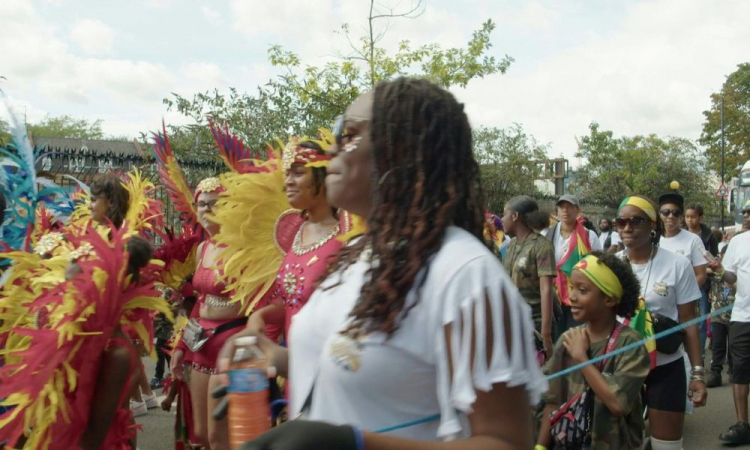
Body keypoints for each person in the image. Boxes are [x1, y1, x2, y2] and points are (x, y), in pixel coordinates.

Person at [225, 77, 547, 449]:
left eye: (348, 134)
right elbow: (366, 369)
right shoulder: (355, 256)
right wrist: (274, 360)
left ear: (403, 150)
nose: (331, 149)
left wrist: (355, 444)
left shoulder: (466, 274)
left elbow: (504, 442)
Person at [616, 195, 706, 450]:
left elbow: (689, 322)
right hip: (622, 367)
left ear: (653, 224)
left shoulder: (677, 264)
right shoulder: (609, 265)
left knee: (666, 446)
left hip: (666, 366)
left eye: (636, 221)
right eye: (621, 222)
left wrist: (698, 374)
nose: (627, 227)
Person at [537, 252, 650, 449]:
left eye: (582, 290)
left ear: (609, 299)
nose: (572, 296)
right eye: (572, 288)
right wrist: (540, 446)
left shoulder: (630, 344)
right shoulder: (568, 339)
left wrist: (582, 357)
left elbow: (617, 404)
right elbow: (552, 401)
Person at [170, 177, 248, 449]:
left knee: (221, 436)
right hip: (200, 345)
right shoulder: (203, 248)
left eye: (214, 204)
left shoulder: (243, 249)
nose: (206, 210)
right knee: (201, 433)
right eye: (201, 204)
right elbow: (200, 299)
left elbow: (256, 302)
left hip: (229, 346)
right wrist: (181, 345)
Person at [247, 138, 345, 346]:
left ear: (322, 178)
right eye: (287, 175)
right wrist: (260, 317)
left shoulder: (347, 234)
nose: (289, 182)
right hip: (291, 366)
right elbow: (292, 301)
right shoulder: (295, 232)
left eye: (298, 173)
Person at [89, 173, 160, 417]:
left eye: (94, 199)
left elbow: (139, 289)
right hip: (93, 336)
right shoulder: (92, 237)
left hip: (119, 334)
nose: (89, 205)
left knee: (118, 411)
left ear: (110, 202)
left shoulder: (127, 242)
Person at [502, 195, 556, 359]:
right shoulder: (511, 245)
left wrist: (545, 334)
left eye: (504, 214)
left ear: (515, 216)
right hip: (514, 322)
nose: (501, 219)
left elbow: (546, 289)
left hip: (535, 323)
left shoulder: (541, 245)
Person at [715, 200, 750, 445]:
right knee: (739, 372)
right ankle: (742, 425)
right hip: (742, 316)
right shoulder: (737, 242)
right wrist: (719, 270)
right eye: (746, 211)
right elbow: (730, 276)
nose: (747, 215)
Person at [658, 193, 709, 357]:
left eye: (676, 213)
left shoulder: (692, 240)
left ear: (681, 216)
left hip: (684, 303)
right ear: (659, 215)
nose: (670, 216)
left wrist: (682, 296)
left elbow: (701, 274)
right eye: (665, 212)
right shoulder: (652, 239)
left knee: (690, 334)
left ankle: (694, 366)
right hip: (657, 303)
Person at [545, 194, 602, 336]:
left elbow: (599, 265)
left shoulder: (589, 236)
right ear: (557, 212)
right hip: (554, 296)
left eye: (570, 207)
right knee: (557, 337)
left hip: (579, 296)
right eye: (562, 207)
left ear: (578, 211)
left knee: (577, 336)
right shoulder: (547, 235)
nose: (565, 211)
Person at [706, 244, 735, 388]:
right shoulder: (714, 271)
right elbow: (701, 270)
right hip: (717, 315)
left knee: (734, 345)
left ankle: (733, 370)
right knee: (718, 345)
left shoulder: (736, 272)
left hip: (735, 315)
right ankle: (715, 372)